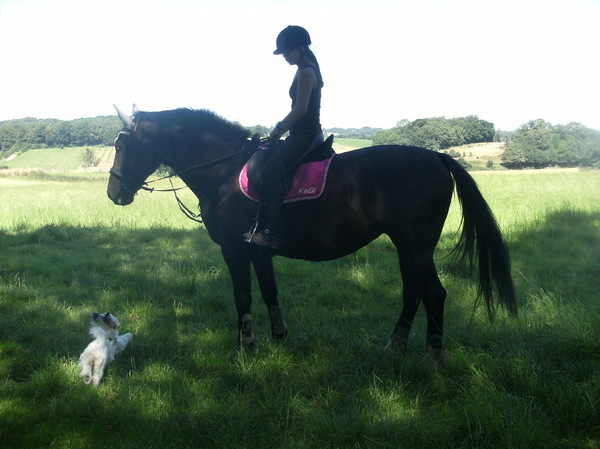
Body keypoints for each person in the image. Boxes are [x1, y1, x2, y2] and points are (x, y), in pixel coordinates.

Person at [244, 25, 324, 249]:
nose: (285, 57)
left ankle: (272, 233)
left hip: (306, 135)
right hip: (300, 133)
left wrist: (279, 127)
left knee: (269, 173)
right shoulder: (303, 69)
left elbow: (300, 110)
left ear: (301, 48)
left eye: (288, 52)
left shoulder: (307, 72)